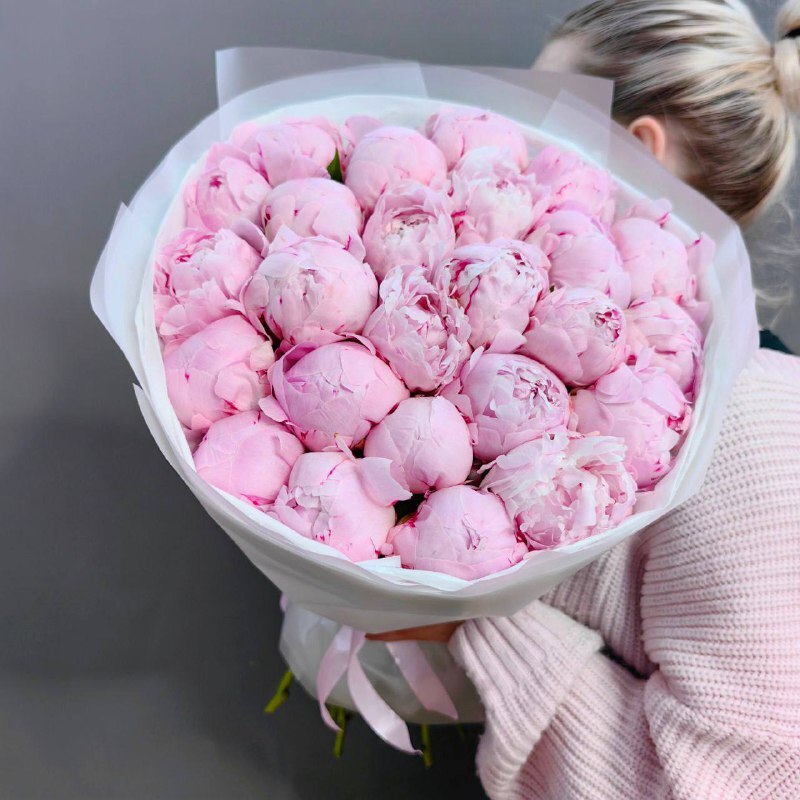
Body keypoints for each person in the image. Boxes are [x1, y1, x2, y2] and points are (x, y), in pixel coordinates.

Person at [368, 2, 800, 797]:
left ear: (635, 150)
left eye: (536, 116)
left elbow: (746, 780)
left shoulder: (760, 436)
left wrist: (471, 625)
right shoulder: (532, 369)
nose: (508, 146)